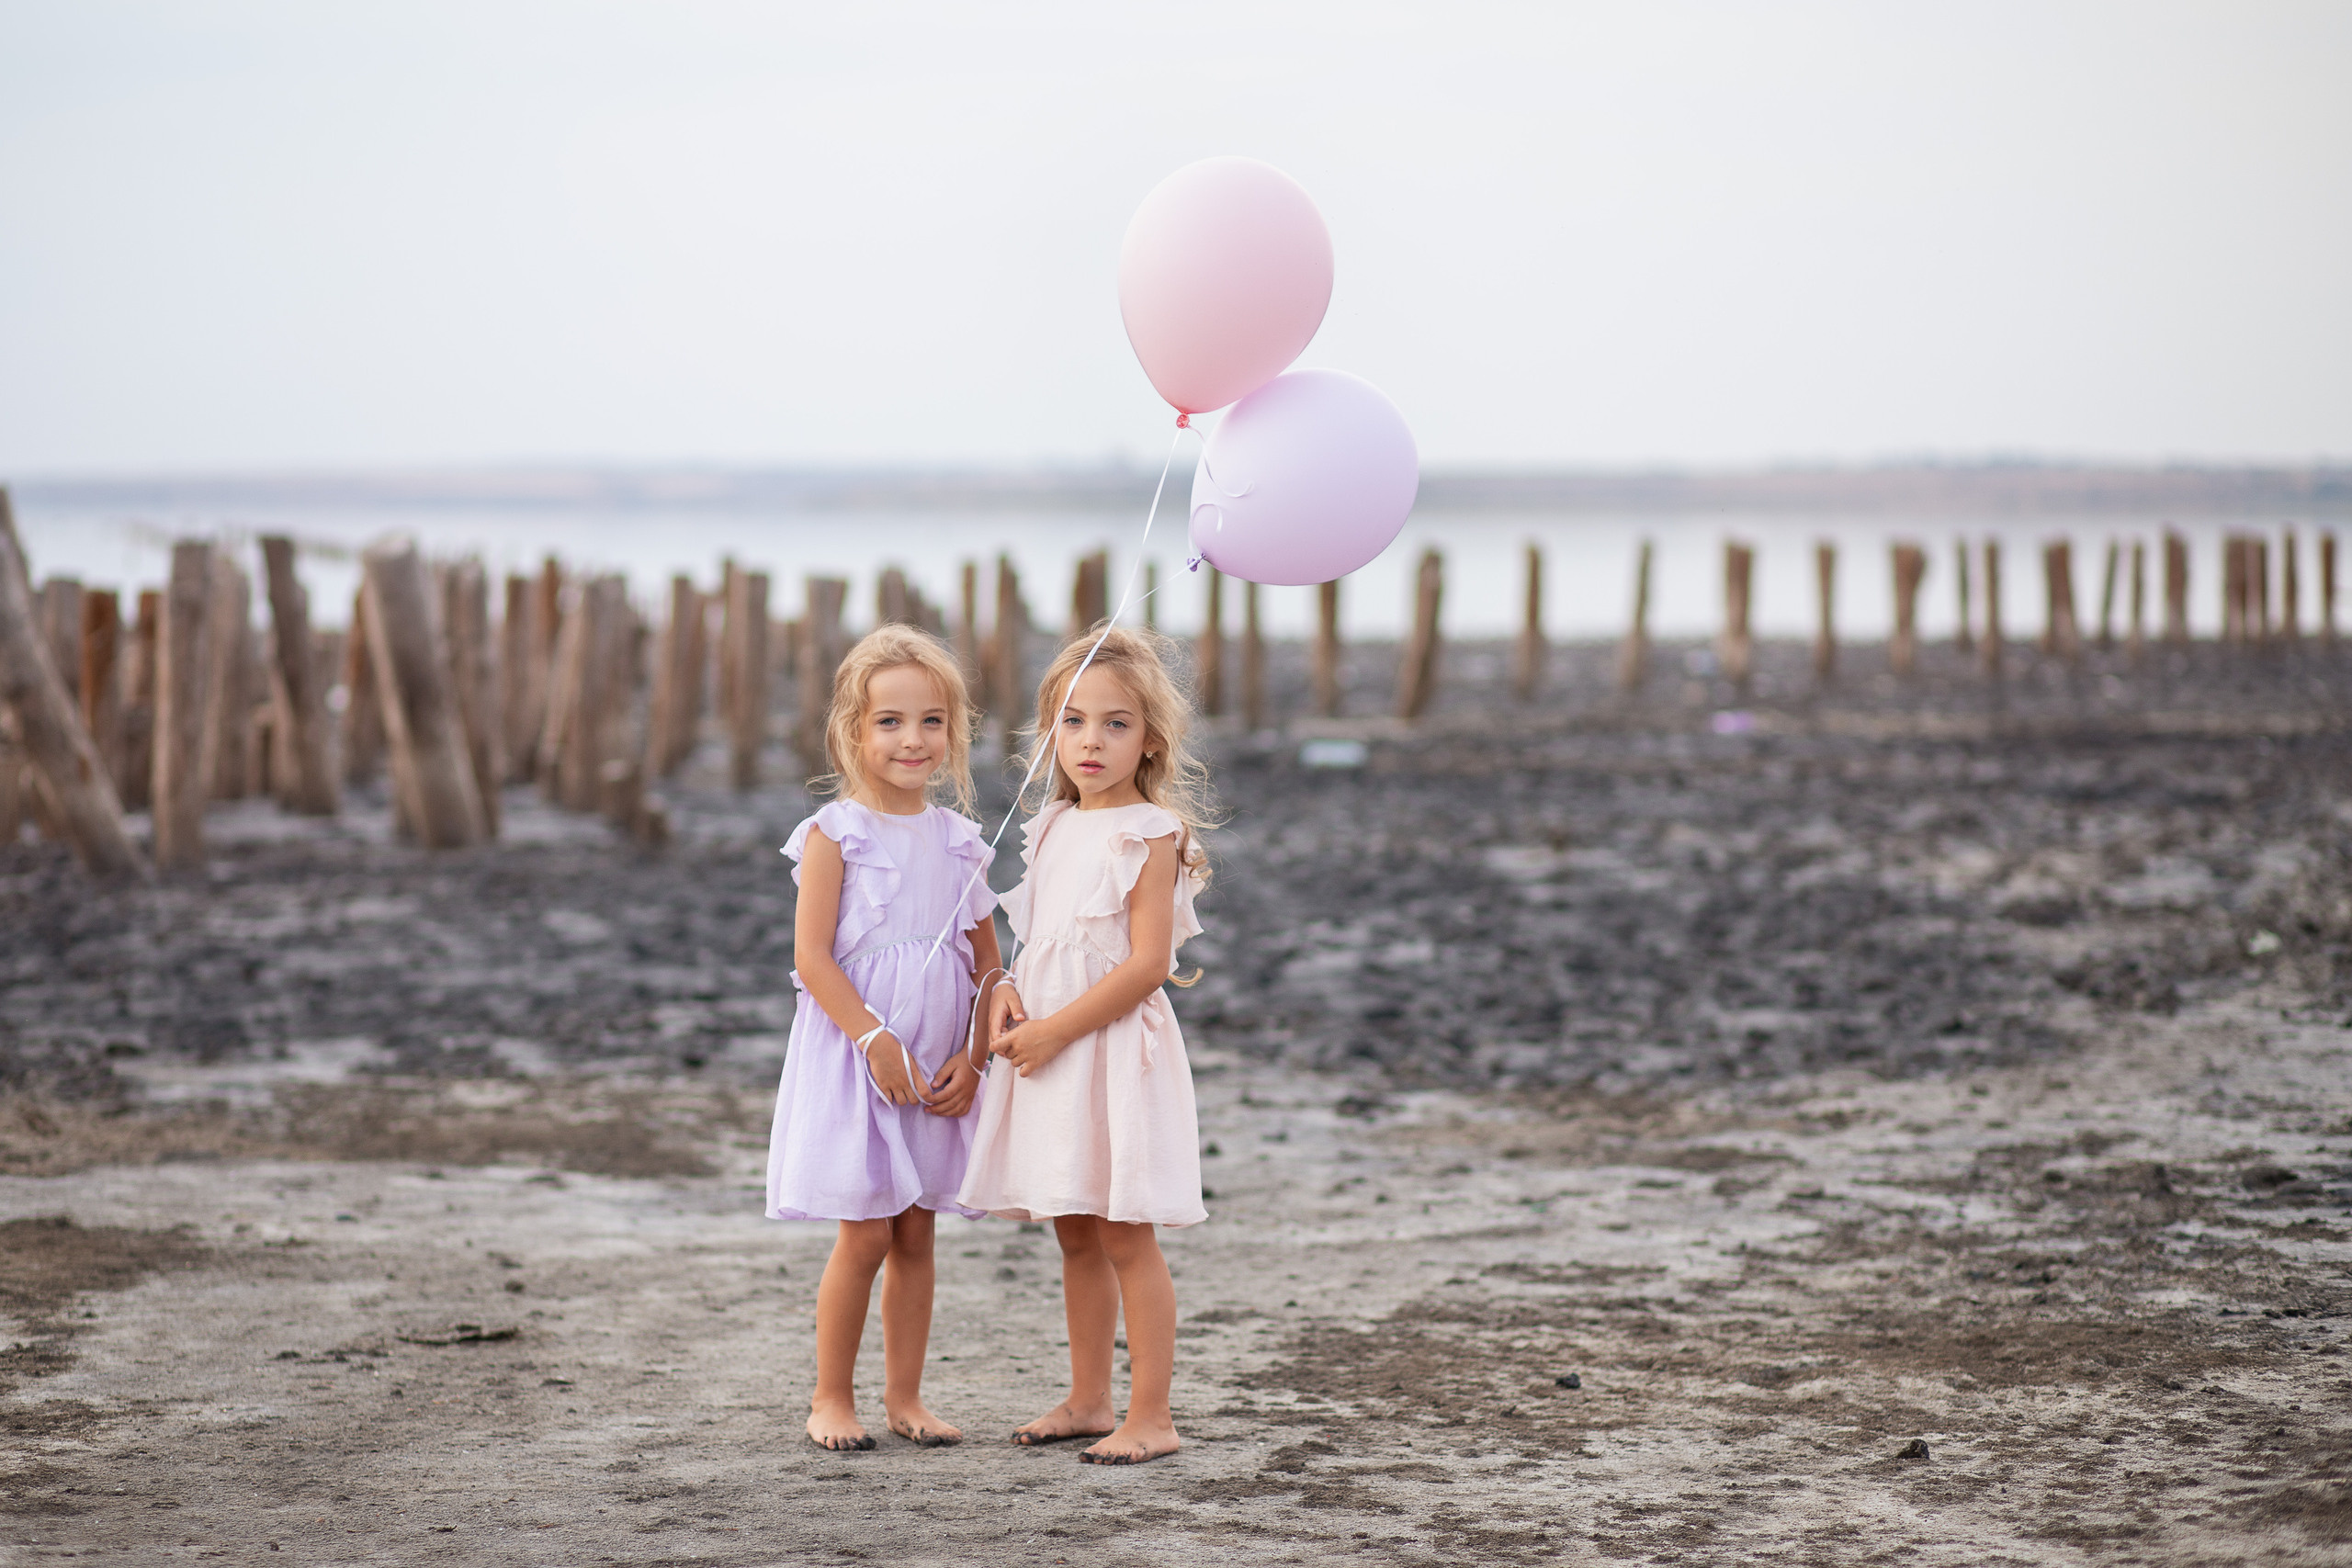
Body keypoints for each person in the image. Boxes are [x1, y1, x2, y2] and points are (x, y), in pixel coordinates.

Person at [960, 625, 1214, 1465]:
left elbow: (1146, 964)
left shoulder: (1148, 832)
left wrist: (1056, 1030)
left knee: (1125, 1232)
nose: (1091, 740)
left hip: (1105, 1049)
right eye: (1072, 721)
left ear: (1151, 739)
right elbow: (1039, 944)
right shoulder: (1052, 825)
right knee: (1073, 1227)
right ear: (1050, 733)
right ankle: (1088, 1396)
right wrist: (1007, 994)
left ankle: (1152, 1414)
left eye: (1115, 723)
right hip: (1048, 1045)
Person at [768, 624, 1001, 1451]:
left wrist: (973, 1058)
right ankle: (830, 1396)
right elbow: (812, 957)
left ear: (954, 731)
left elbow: (989, 968)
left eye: (932, 720)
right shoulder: (836, 833)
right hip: (858, 1053)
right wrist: (873, 1038)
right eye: (891, 721)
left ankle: (906, 1396)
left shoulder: (960, 841)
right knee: (865, 1228)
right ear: (853, 729)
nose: (913, 739)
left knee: (916, 1230)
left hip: (935, 1059)